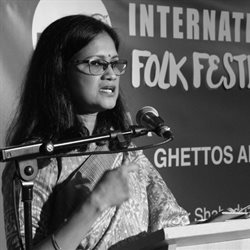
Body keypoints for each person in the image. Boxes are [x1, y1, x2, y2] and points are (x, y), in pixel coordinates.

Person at [2, 14, 189, 250]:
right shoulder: (33, 163)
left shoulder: (123, 149)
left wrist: (217, 227)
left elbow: (174, 227)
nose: (110, 73)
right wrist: (96, 203)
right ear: (60, 70)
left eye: (114, 63)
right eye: (97, 64)